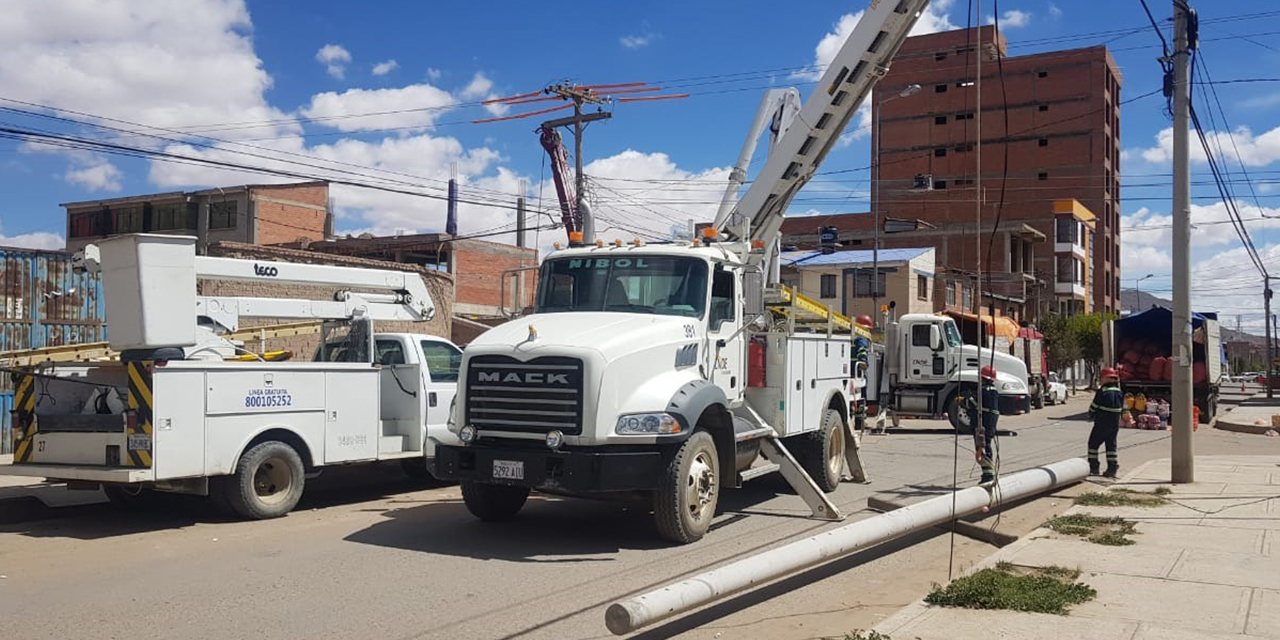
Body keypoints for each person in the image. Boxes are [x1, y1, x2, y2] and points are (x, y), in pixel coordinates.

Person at [966, 365, 1001, 484]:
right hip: (990, 423)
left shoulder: (984, 391)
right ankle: (988, 473)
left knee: (982, 447)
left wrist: (967, 399)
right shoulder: (994, 390)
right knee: (986, 445)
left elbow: (975, 405)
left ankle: (988, 475)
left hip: (983, 422)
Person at [1088, 367, 1126, 477]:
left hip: (1102, 423)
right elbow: (1123, 407)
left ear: (1107, 378)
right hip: (1114, 424)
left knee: (1093, 445)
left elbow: (1094, 406)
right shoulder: (1119, 392)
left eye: (1102, 378)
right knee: (1111, 446)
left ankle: (1094, 468)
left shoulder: (1102, 391)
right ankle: (1112, 469)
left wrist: (1090, 414)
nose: (1101, 380)